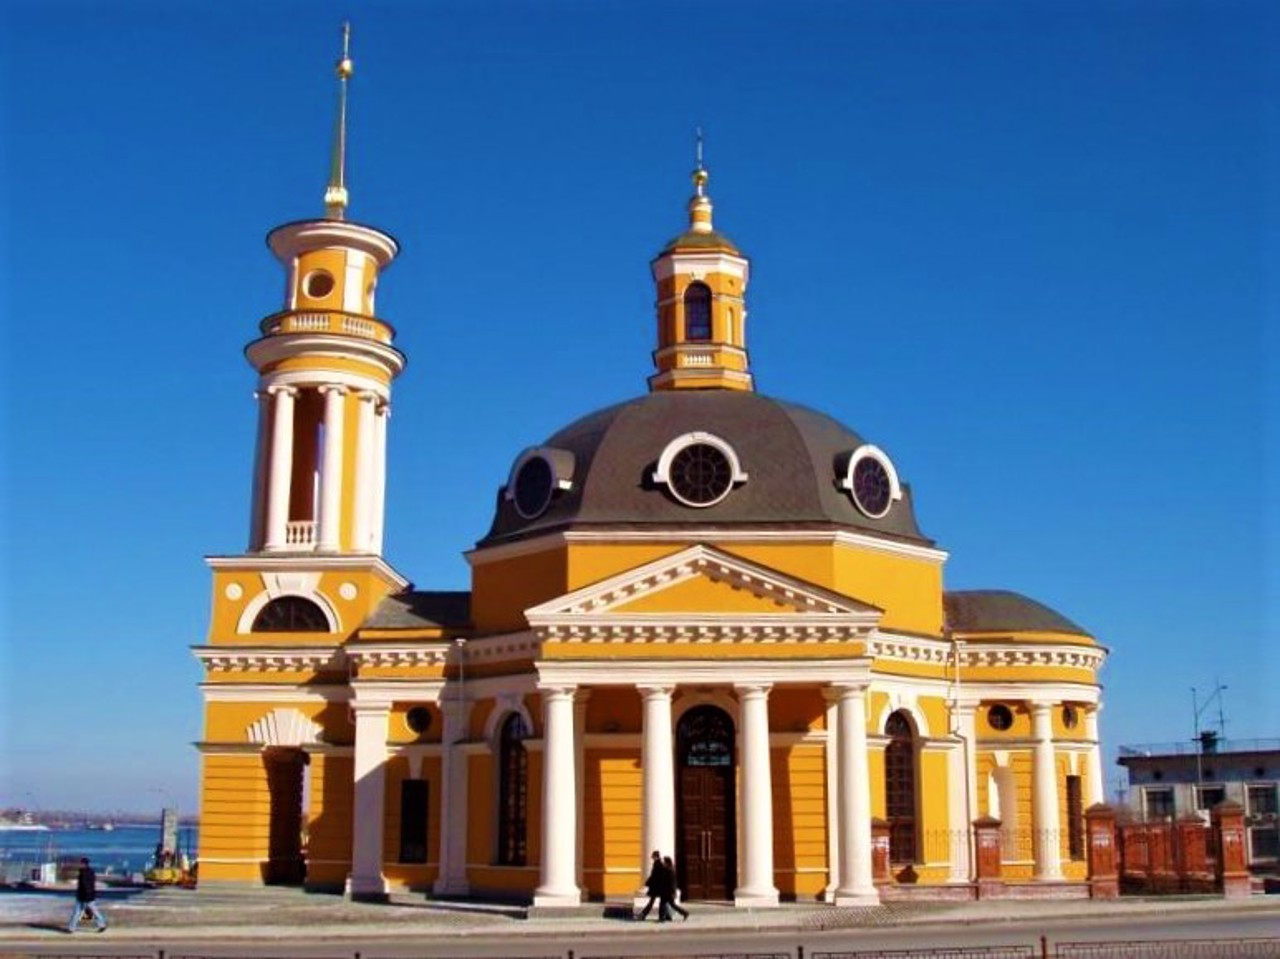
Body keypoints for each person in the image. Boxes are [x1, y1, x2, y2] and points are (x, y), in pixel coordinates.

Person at [67, 857, 107, 934]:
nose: (79, 865)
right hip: (87, 896)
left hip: (85, 897)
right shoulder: (89, 872)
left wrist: (86, 896)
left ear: (84, 864)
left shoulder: (84, 873)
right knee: (91, 911)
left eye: (81, 863)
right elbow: (91, 885)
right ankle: (71, 928)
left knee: (79, 912)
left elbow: (87, 886)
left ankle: (71, 928)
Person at [635, 850, 664, 920]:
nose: (652, 858)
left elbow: (655, 876)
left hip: (657, 887)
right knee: (664, 902)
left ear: (656, 856)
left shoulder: (658, 864)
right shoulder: (658, 863)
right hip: (657, 887)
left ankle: (643, 915)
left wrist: (648, 882)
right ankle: (662, 916)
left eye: (653, 856)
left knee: (656, 902)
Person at [659, 855, 688, 921]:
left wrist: (673, 892)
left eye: (664, 862)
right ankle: (665, 917)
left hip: (668, 892)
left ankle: (662, 918)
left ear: (667, 862)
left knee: (665, 904)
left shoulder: (670, 870)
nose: (663, 863)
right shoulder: (667, 869)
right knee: (669, 904)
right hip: (666, 891)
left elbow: (672, 883)